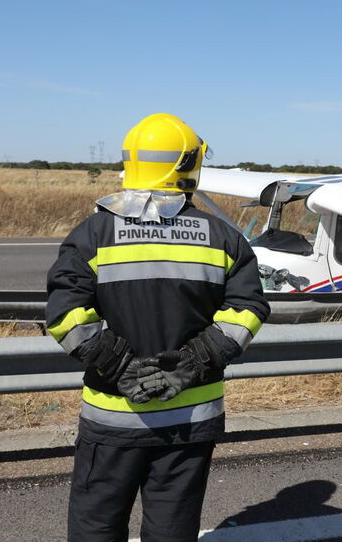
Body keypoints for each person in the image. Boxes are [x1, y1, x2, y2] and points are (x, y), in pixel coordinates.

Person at [46, 113, 270, 542]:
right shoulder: (223, 238)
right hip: (190, 415)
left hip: (114, 417)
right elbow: (247, 310)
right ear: (188, 165)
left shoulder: (94, 233)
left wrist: (120, 367)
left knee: (96, 525)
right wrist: (191, 364)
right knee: (172, 528)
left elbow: (65, 315)